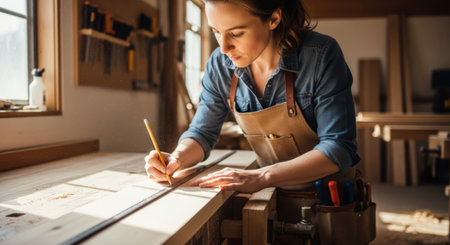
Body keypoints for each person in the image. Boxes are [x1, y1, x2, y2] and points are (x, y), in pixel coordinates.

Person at [145, 0, 364, 243]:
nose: (224, 47)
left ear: (273, 19)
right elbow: (201, 132)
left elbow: (339, 147)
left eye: (236, 33)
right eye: (216, 32)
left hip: (328, 198)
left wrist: (261, 177)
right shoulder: (220, 65)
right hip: (268, 194)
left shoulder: (321, 55)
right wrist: (177, 158)